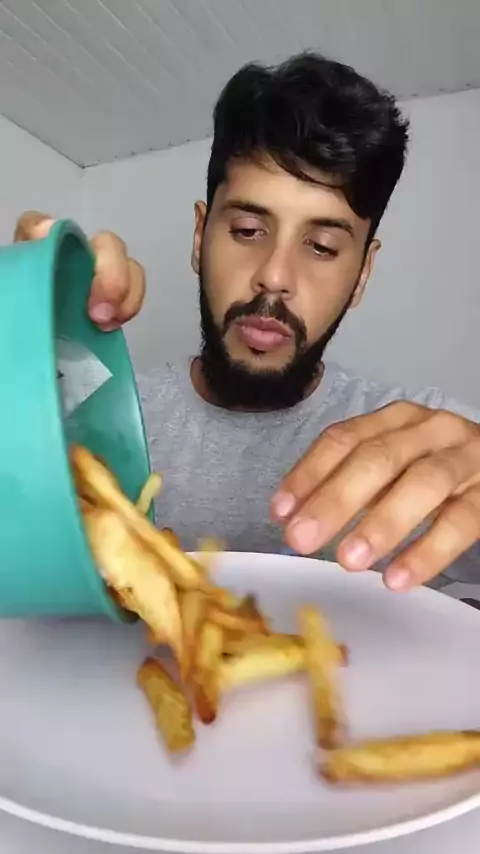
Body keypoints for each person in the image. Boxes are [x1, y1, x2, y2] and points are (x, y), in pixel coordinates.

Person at [15, 53, 480, 593]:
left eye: (321, 246)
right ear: (200, 237)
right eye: (247, 231)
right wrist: (18, 351)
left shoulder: (427, 448)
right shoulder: (93, 418)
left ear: (362, 274)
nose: (274, 276)